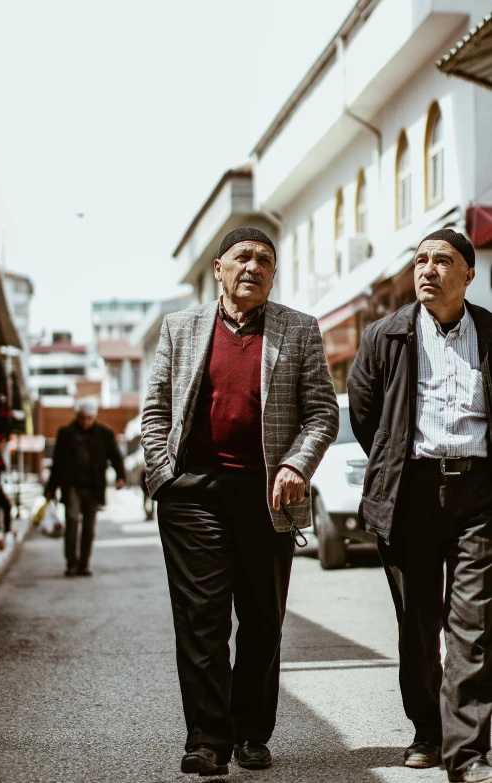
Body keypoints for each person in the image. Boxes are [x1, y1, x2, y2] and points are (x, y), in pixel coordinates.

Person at [142, 226, 339, 776]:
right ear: (219, 269)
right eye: (242, 258)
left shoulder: (298, 329)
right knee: (201, 620)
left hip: (267, 496)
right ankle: (207, 740)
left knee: (261, 620)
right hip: (193, 496)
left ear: (274, 275)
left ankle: (252, 732)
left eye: (265, 260)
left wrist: (297, 463)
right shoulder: (180, 327)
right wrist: (164, 477)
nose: (252, 267)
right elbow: (157, 409)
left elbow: (323, 412)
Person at [348, 229, 492, 783]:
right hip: (410, 495)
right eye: (421, 260)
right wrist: (393, 466)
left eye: (443, 260)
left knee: (474, 624)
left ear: (468, 275)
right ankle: (428, 732)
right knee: (418, 621)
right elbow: (365, 414)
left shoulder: (489, 333)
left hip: (479, 493)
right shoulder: (386, 335)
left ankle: (470, 754)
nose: (428, 269)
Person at [46, 398, 126, 577]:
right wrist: (51, 488)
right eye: (82, 418)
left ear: (94, 418)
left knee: (89, 528)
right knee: (72, 522)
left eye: (89, 418)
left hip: (94, 488)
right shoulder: (66, 433)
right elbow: (57, 463)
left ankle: (84, 564)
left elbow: (116, 457)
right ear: (78, 416)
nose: (85, 422)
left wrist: (121, 477)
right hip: (72, 487)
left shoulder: (104, 434)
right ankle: (71, 564)